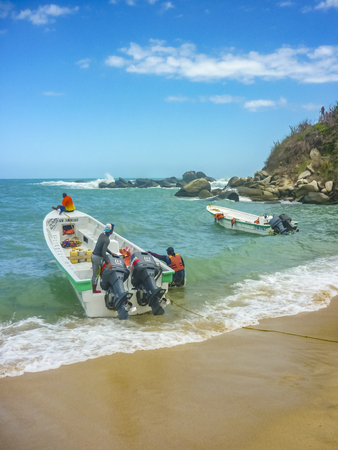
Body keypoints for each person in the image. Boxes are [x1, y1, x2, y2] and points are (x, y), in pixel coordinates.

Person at [91, 223, 115, 293]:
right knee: (96, 275)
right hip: (97, 258)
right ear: (111, 231)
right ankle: (94, 290)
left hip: (93, 256)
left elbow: (103, 247)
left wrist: (110, 253)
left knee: (94, 274)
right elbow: (103, 252)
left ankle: (94, 288)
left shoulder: (102, 235)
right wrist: (107, 263)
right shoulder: (107, 240)